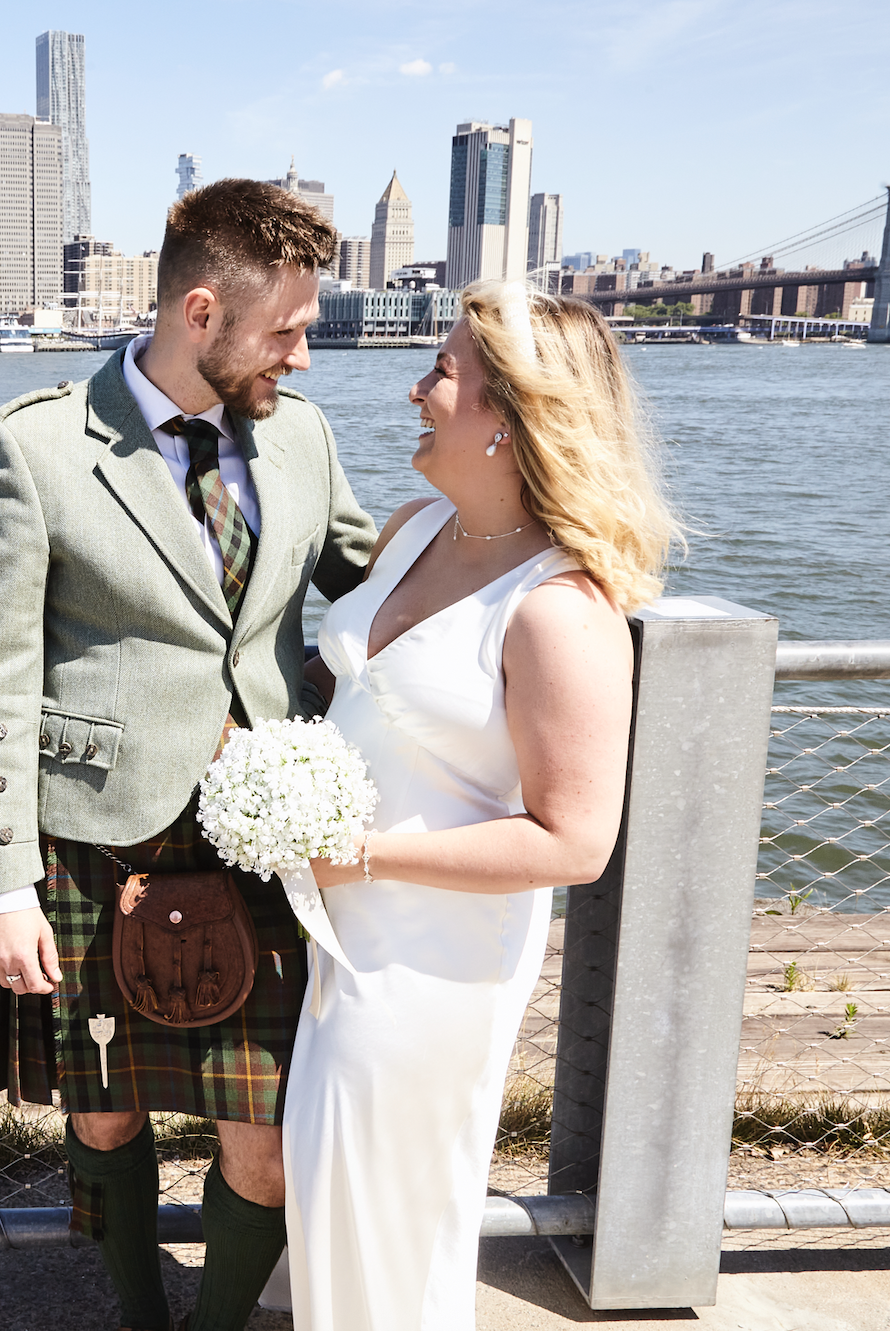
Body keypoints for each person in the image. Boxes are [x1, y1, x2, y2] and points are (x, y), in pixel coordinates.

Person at [0, 178, 377, 1331]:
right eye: (284, 329)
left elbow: (376, 586)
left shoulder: (302, 438)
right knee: (101, 1114)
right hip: (97, 837)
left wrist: (535, 579)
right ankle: (137, 1316)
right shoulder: (34, 447)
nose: (301, 355)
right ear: (199, 313)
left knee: (267, 1138)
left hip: (265, 836)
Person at [283, 279, 680, 1330]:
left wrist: (359, 855)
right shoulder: (411, 529)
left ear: (507, 416)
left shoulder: (558, 611)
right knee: (331, 1194)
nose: (415, 390)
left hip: (431, 961)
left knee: (396, 1217)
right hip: (335, 933)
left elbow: (574, 840)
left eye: (442, 372)